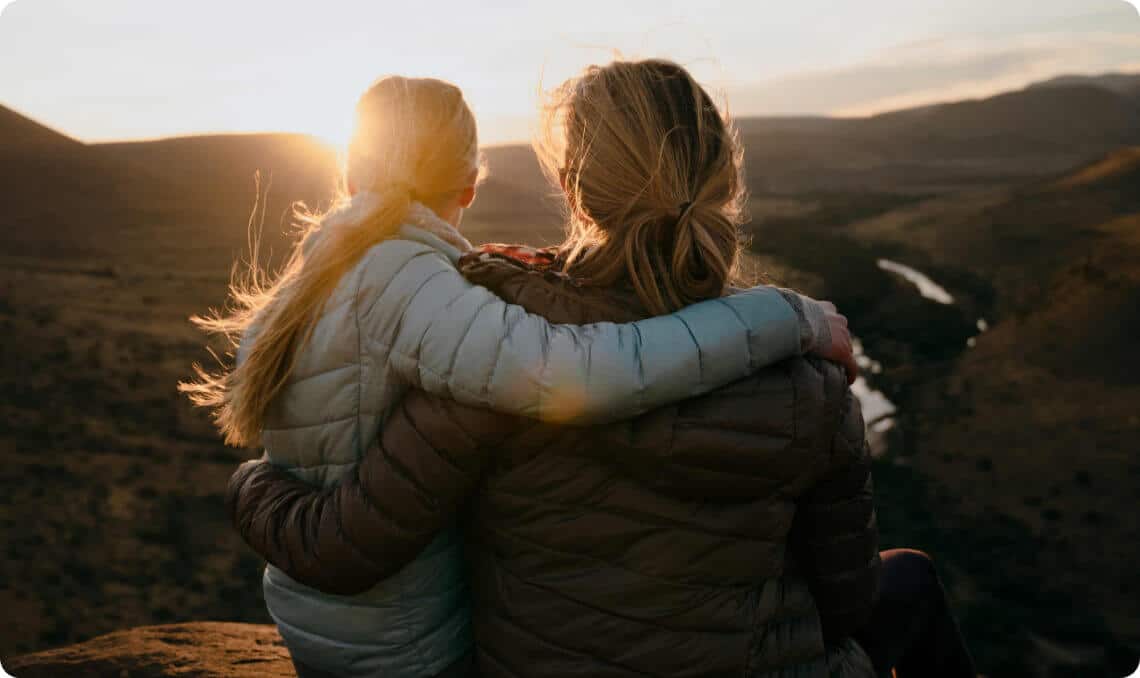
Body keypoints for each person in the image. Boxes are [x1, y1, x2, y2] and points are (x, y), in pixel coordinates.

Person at [228, 60, 976, 677]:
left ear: (571, 188)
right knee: (908, 580)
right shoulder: (814, 388)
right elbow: (845, 604)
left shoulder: (485, 364)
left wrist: (252, 480)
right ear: (723, 184)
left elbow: (349, 539)